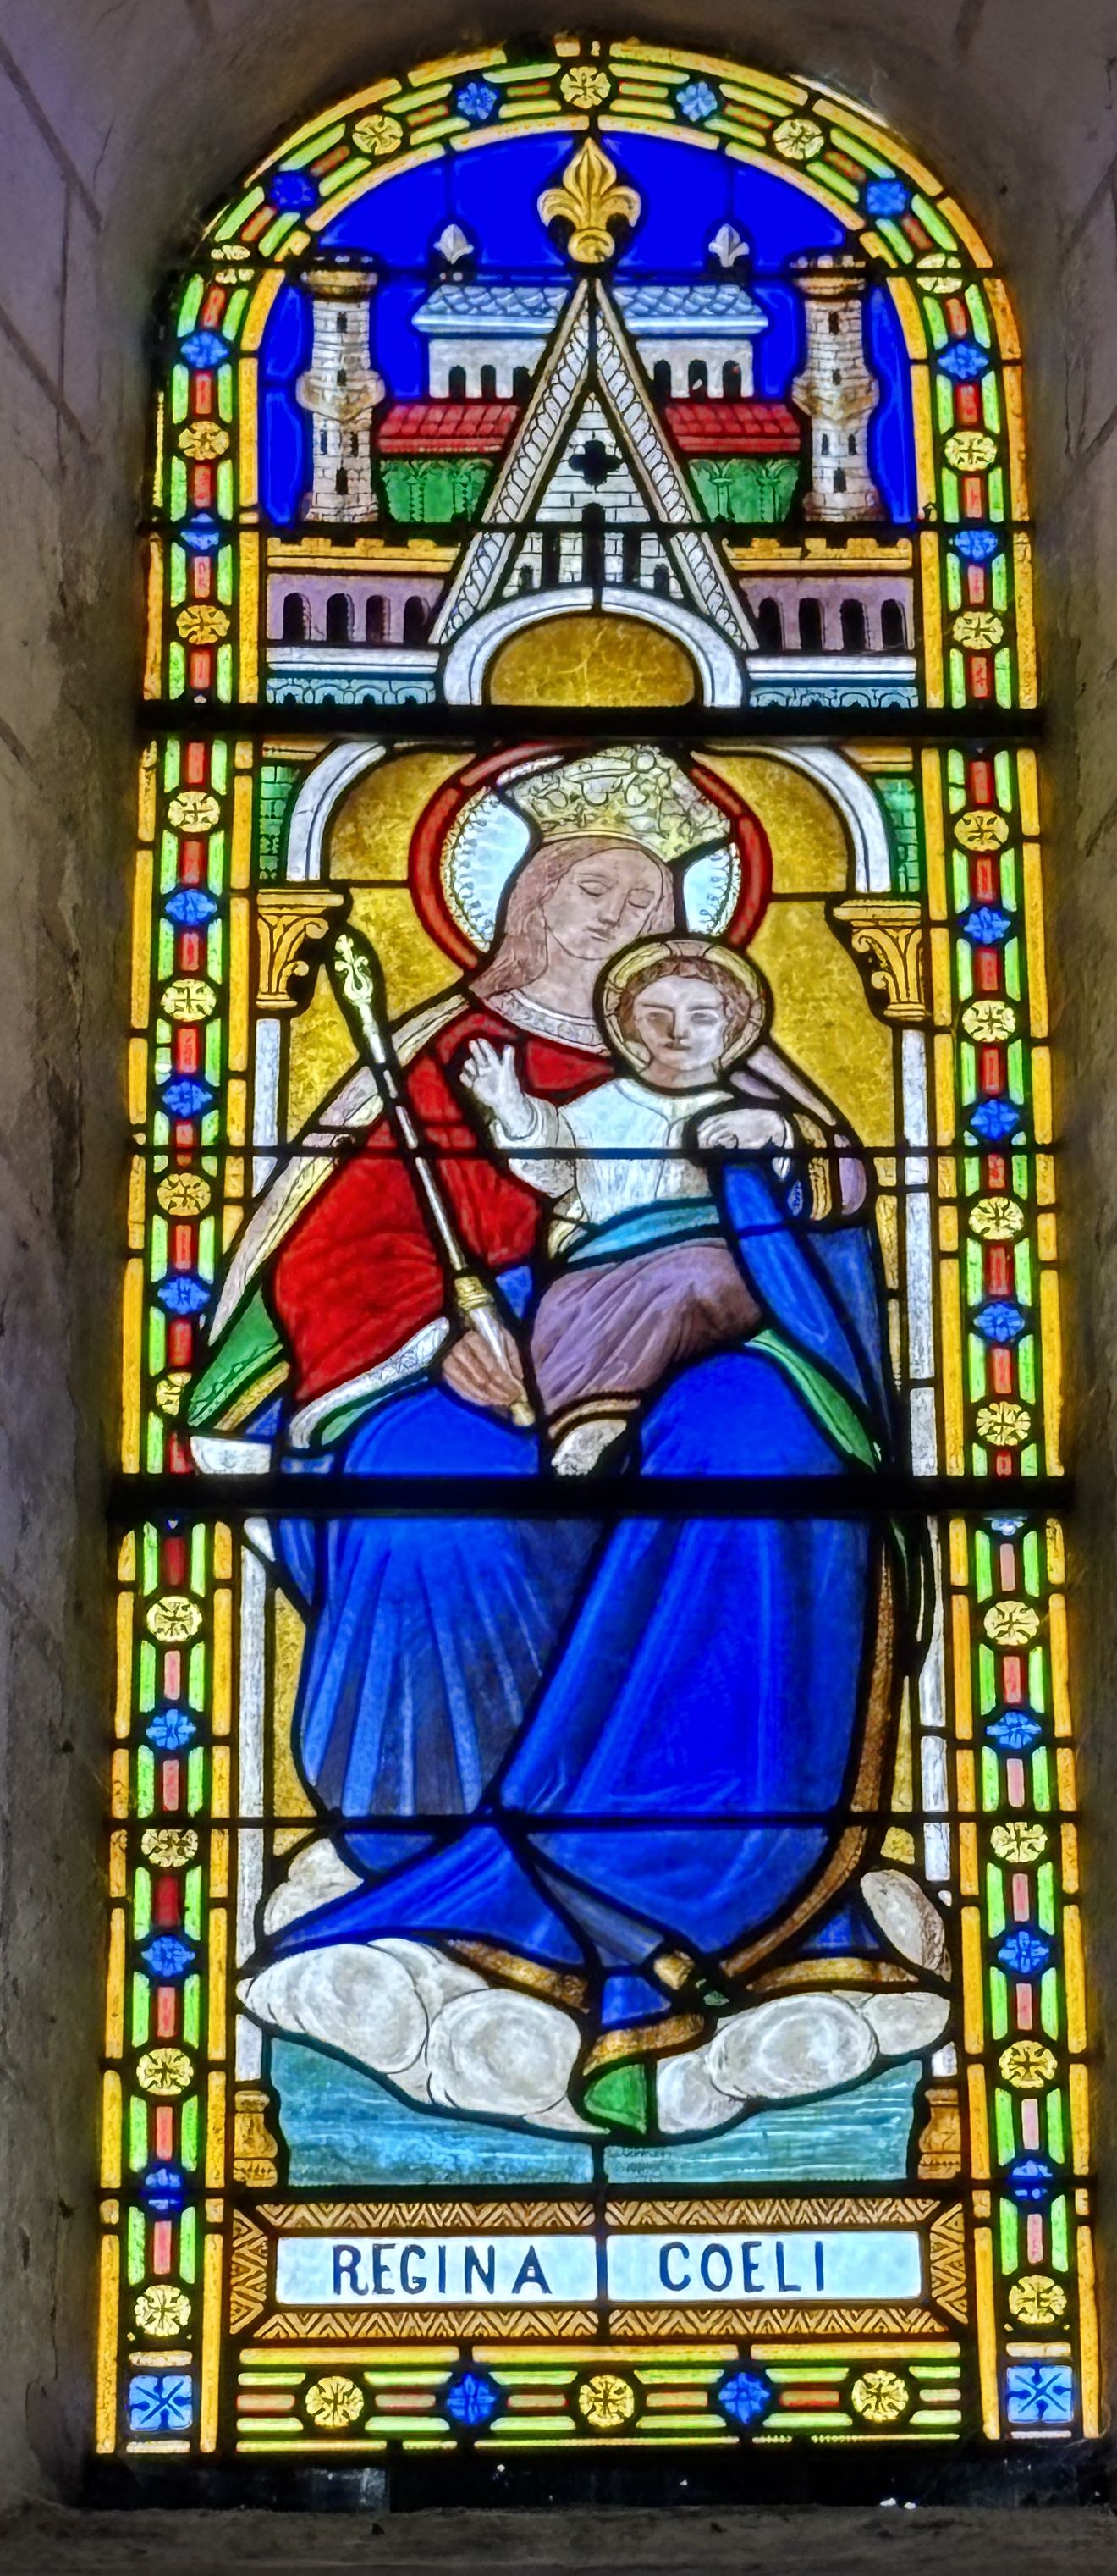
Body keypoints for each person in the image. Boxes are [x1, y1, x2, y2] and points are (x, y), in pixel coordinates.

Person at [190, 758, 933, 2138]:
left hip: (709, 1338)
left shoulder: (721, 1053)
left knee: (761, 1442)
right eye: (594, 891)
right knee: (429, 1485)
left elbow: (821, 1219)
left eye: (647, 903)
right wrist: (435, 1339)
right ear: (523, 904)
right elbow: (336, 1256)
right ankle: (435, 1856)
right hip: (466, 1359)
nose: (620, 921)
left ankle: (731, 1863)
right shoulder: (435, 1058)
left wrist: (779, 1169)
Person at [461, 936, 778, 1473]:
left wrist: (774, 1132)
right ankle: (578, 1423)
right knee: (563, 1305)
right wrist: (510, 1107)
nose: (678, 1032)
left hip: (712, 1266)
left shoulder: (749, 1112)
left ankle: (600, 1419)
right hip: (596, 1268)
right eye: (657, 1016)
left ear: (733, 1025)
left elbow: (802, 1201)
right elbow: (553, 1170)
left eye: (701, 1016)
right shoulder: (604, 1105)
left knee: (692, 1276)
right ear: (630, 1026)